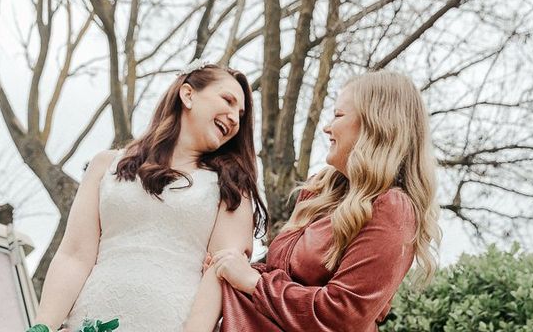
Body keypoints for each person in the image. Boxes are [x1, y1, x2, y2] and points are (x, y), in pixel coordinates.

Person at [32, 62, 267, 331]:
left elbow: (219, 274)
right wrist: (44, 325)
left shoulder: (232, 187)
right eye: (227, 100)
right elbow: (75, 255)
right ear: (188, 94)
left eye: (240, 114)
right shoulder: (105, 165)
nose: (235, 118)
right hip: (91, 318)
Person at [210, 70, 441, 332]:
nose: (327, 127)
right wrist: (231, 265)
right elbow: (280, 274)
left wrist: (253, 282)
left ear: (376, 125)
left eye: (339, 115)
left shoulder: (393, 208)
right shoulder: (320, 193)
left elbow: (342, 315)